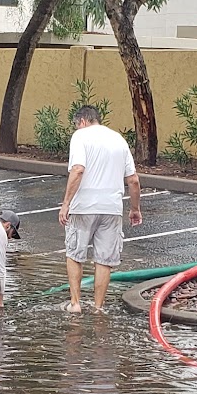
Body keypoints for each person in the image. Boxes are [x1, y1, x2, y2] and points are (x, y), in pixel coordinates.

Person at [56, 105, 142, 313]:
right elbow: (133, 180)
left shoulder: (80, 136)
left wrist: (66, 203)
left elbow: (78, 170)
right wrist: (134, 209)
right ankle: (98, 307)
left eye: (77, 125)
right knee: (104, 260)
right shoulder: (118, 139)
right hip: (112, 208)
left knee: (75, 254)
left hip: (83, 207)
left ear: (82, 121)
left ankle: (75, 303)